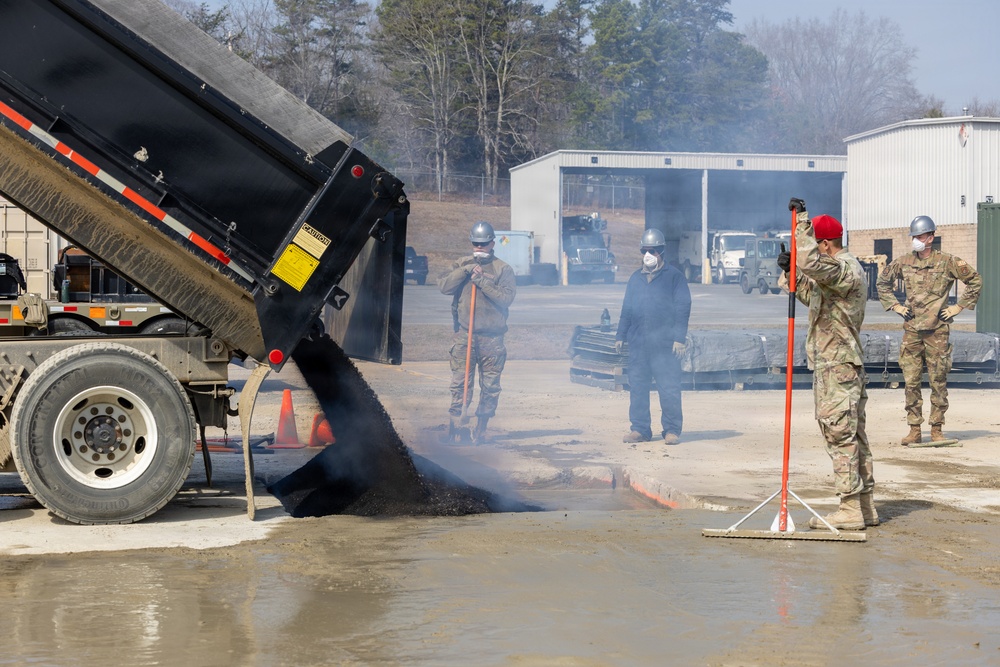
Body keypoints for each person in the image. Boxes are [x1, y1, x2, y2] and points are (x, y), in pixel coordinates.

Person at [777, 198, 875, 530]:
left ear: (824, 243)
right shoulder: (837, 275)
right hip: (837, 364)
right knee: (853, 436)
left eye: (813, 243)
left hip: (838, 366)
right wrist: (789, 271)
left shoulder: (845, 267)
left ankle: (850, 509)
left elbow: (811, 263)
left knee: (840, 436)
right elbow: (813, 294)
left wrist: (800, 223)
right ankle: (864, 506)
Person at [876, 216, 981, 445]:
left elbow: (975, 280)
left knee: (938, 381)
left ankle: (936, 429)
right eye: (913, 237)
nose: (916, 240)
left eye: (920, 236)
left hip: (937, 331)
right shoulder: (903, 262)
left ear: (931, 237)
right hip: (912, 330)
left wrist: (958, 307)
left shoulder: (947, 262)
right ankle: (914, 429)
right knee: (911, 381)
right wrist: (895, 306)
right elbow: (882, 283)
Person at [439, 221, 516, 442]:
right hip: (465, 336)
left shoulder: (503, 269)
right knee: (460, 383)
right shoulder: (461, 264)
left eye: (483, 244)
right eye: (475, 243)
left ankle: (481, 428)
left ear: (493, 243)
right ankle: (456, 427)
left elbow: (506, 298)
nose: (479, 247)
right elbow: (444, 287)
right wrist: (465, 271)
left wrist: (481, 281)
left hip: (492, 338)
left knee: (491, 386)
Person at [615, 228, 691, 445]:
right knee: (638, 387)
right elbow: (626, 309)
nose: (648, 255)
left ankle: (672, 430)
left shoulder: (674, 277)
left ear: (661, 252)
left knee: (668, 387)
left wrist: (679, 338)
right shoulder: (635, 279)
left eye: (652, 251)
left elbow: (683, 308)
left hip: (664, 344)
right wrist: (620, 335)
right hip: (639, 344)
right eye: (644, 250)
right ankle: (640, 429)